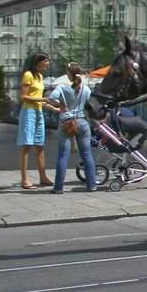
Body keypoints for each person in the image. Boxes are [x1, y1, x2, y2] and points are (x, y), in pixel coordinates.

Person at [47, 62, 97, 194]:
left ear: (69, 74)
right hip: (83, 123)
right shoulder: (86, 89)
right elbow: (88, 104)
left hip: (67, 124)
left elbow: (51, 99)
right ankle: (92, 185)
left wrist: (61, 105)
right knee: (86, 155)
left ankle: (58, 188)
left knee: (63, 156)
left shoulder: (62, 87)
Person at [17, 52, 60, 189]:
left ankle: (43, 177)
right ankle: (24, 180)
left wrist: (54, 108)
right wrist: (44, 99)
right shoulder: (28, 75)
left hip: (38, 112)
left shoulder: (40, 76)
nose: (48, 63)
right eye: (46, 60)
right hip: (28, 112)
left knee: (40, 145)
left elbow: (39, 98)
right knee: (27, 145)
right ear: (38, 62)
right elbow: (23, 97)